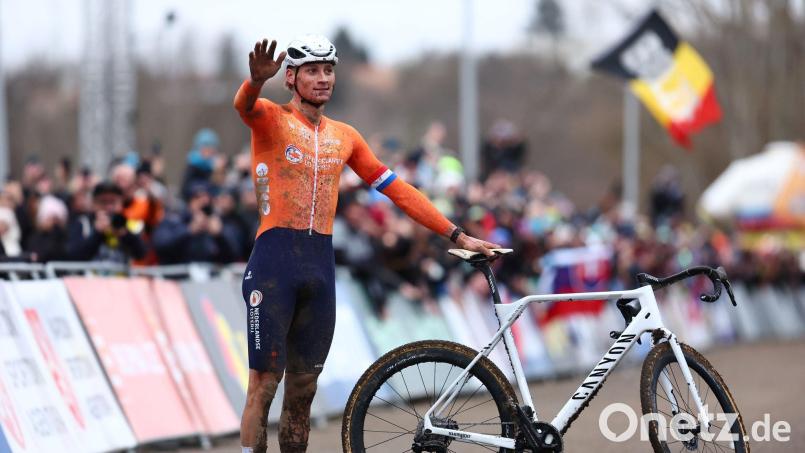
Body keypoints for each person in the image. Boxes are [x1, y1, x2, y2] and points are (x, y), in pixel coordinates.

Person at [234, 35, 500, 453]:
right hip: (273, 267)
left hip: (319, 268)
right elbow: (244, 107)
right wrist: (253, 83)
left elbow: (399, 190)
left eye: (328, 71)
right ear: (291, 78)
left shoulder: (346, 136)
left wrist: (457, 233)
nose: (323, 79)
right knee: (263, 386)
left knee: (303, 394)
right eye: (312, 71)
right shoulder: (271, 118)